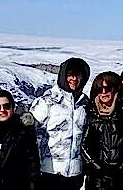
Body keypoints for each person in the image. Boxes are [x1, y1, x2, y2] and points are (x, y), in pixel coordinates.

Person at [30, 57, 90, 190]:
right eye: (70, 75)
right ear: (63, 76)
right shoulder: (48, 100)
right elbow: (32, 134)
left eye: (78, 75)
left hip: (75, 173)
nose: (74, 79)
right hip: (50, 172)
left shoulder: (84, 103)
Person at [82, 71, 123, 190]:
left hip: (120, 177)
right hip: (95, 177)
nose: (103, 93)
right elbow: (83, 145)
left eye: (107, 89)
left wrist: (121, 168)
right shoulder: (89, 112)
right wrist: (96, 167)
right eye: (99, 89)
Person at [0, 89, 40, 190]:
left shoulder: (23, 132)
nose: (2, 110)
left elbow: (32, 166)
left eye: (6, 106)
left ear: (13, 107)